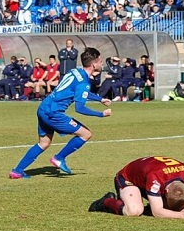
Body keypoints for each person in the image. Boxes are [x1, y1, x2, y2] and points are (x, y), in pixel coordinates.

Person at [9, 47, 112, 179]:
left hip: (43, 108)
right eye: (100, 61)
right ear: (94, 64)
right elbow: (80, 108)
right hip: (54, 113)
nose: (102, 64)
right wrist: (101, 114)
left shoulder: (75, 71)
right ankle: (59, 158)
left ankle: (17, 171)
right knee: (86, 134)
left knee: (44, 143)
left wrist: (100, 99)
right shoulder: (84, 83)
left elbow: (78, 91)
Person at [88, 156, 184, 219]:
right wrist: (182, 215)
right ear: (166, 191)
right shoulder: (155, 177)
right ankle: (106, 201)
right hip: (128, 178)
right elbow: (157, 212)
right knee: (134, 211)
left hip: (150, 177)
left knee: (174, 207)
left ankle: (148, 206)